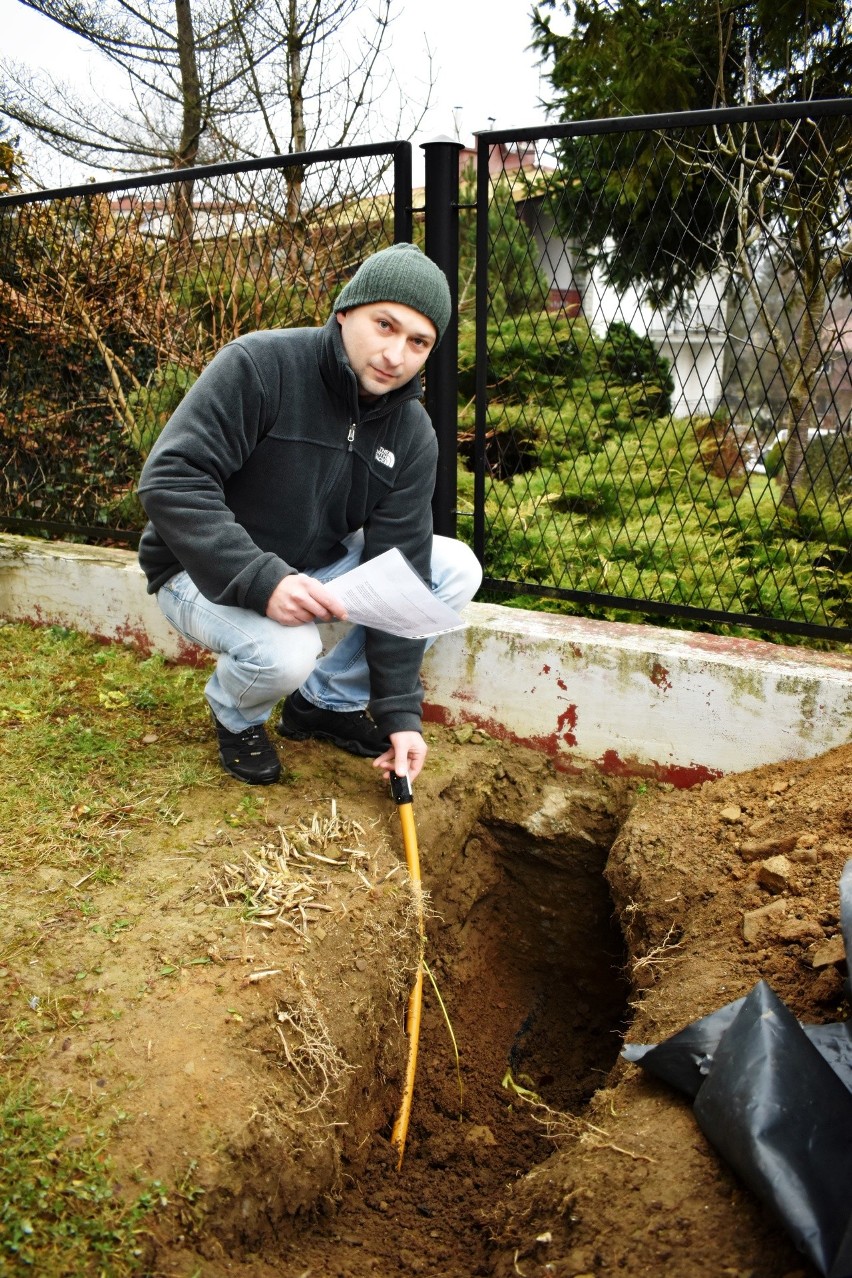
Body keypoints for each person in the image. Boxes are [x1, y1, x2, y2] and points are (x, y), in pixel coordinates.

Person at [137, 242, 482, 787]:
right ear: (346, 312)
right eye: (384, 326)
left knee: (454, 566)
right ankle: (236, 715)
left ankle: (325, 703)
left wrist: (399, 714)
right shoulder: (260, 365)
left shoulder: (411, 433)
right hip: (197, 568)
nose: (396, 355)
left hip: (312, 566)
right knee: (287, 652)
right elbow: (171, 477)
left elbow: (403, 573)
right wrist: (262, 580)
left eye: (418, 341)